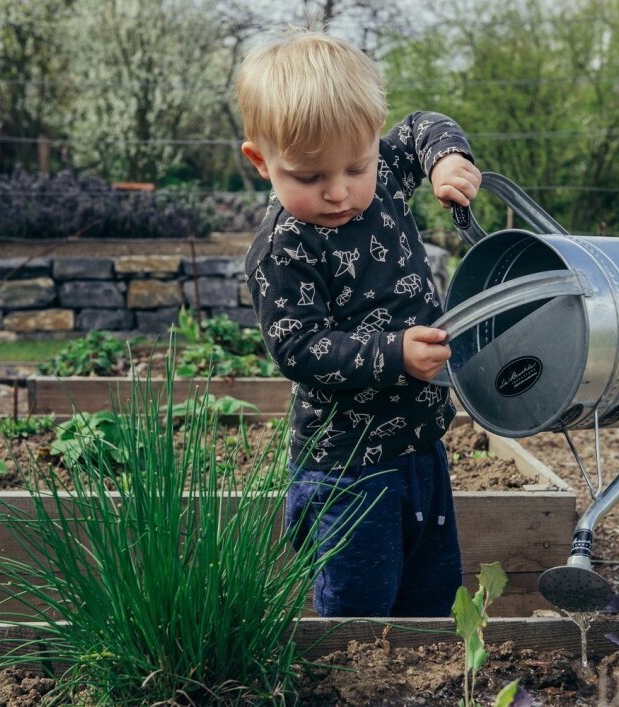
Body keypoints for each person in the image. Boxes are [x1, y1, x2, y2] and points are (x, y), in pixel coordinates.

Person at [236, 29, 481, 617]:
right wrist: (394, 353)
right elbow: (299, 347)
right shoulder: (284, 249)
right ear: (261, 162)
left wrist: (448, 158)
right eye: (309, 177)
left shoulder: (388, 175)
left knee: (432, 593)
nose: (339, 192)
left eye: (356, 165)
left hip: (423, 446)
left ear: (373, 142)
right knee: (360, 610)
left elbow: (424, 124)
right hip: (347, 470)